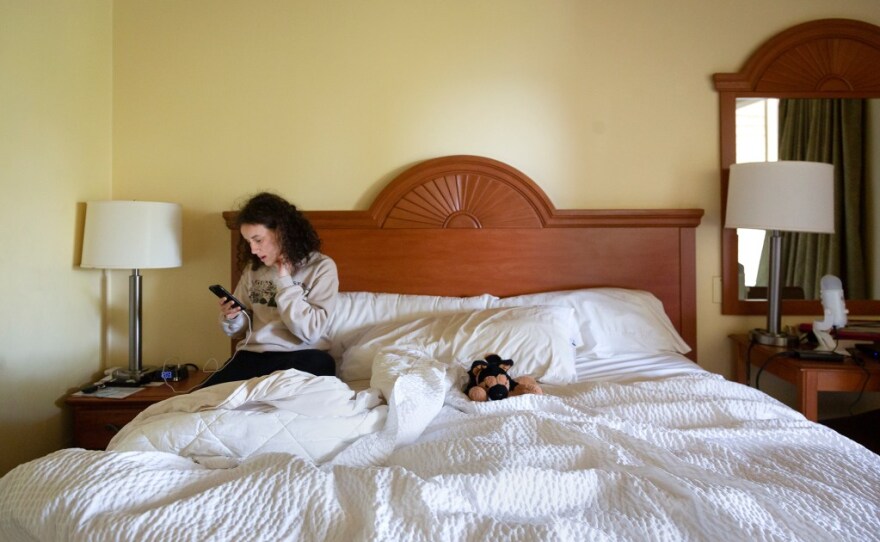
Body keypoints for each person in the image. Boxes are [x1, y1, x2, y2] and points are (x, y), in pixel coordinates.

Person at [202, 192, 339, 387]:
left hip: (303, 354)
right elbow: (242, 329)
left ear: (282, 232)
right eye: (248, 242)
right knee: (202, 396)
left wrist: (285, 280)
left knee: (322, 366)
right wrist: (232, 317)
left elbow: (311, 331)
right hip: (254, 355)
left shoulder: (321, 267)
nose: (253, 250)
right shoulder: (254, 269)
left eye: (258, 240)